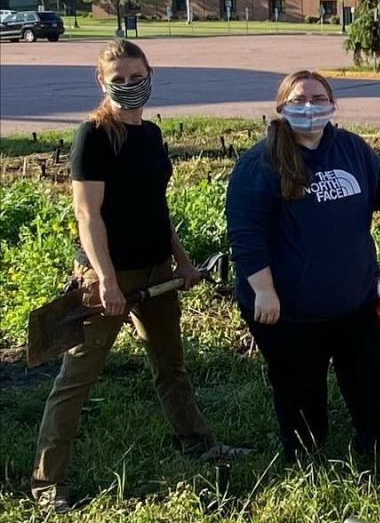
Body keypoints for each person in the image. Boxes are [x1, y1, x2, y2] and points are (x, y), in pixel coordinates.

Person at [32, 40, 246, 513]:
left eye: (136, 77)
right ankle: (48, 484)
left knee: (170, 367)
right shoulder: (93, 136)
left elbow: (157, 208)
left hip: (157, 270)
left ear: (150, 75)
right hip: (107, 274)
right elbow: (88, 216)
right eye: (119, 79)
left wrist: (183, 262)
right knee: (76, 379)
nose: (129, 86)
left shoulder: (149, 136)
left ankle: (198, 443)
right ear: (102, 82)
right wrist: (106, 280)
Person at [227, 70, 380, 462]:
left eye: (317, 98)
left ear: (332, 104)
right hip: (291, 311)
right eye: (298, 100)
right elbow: (247, 235)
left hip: (357, 298)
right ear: (281, 108)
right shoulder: (260, 164)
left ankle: (375, 443)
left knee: (377, 365)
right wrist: (264, 290)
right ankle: (307, 454)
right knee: (300, 386)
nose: (309, 107)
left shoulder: (350, 148)